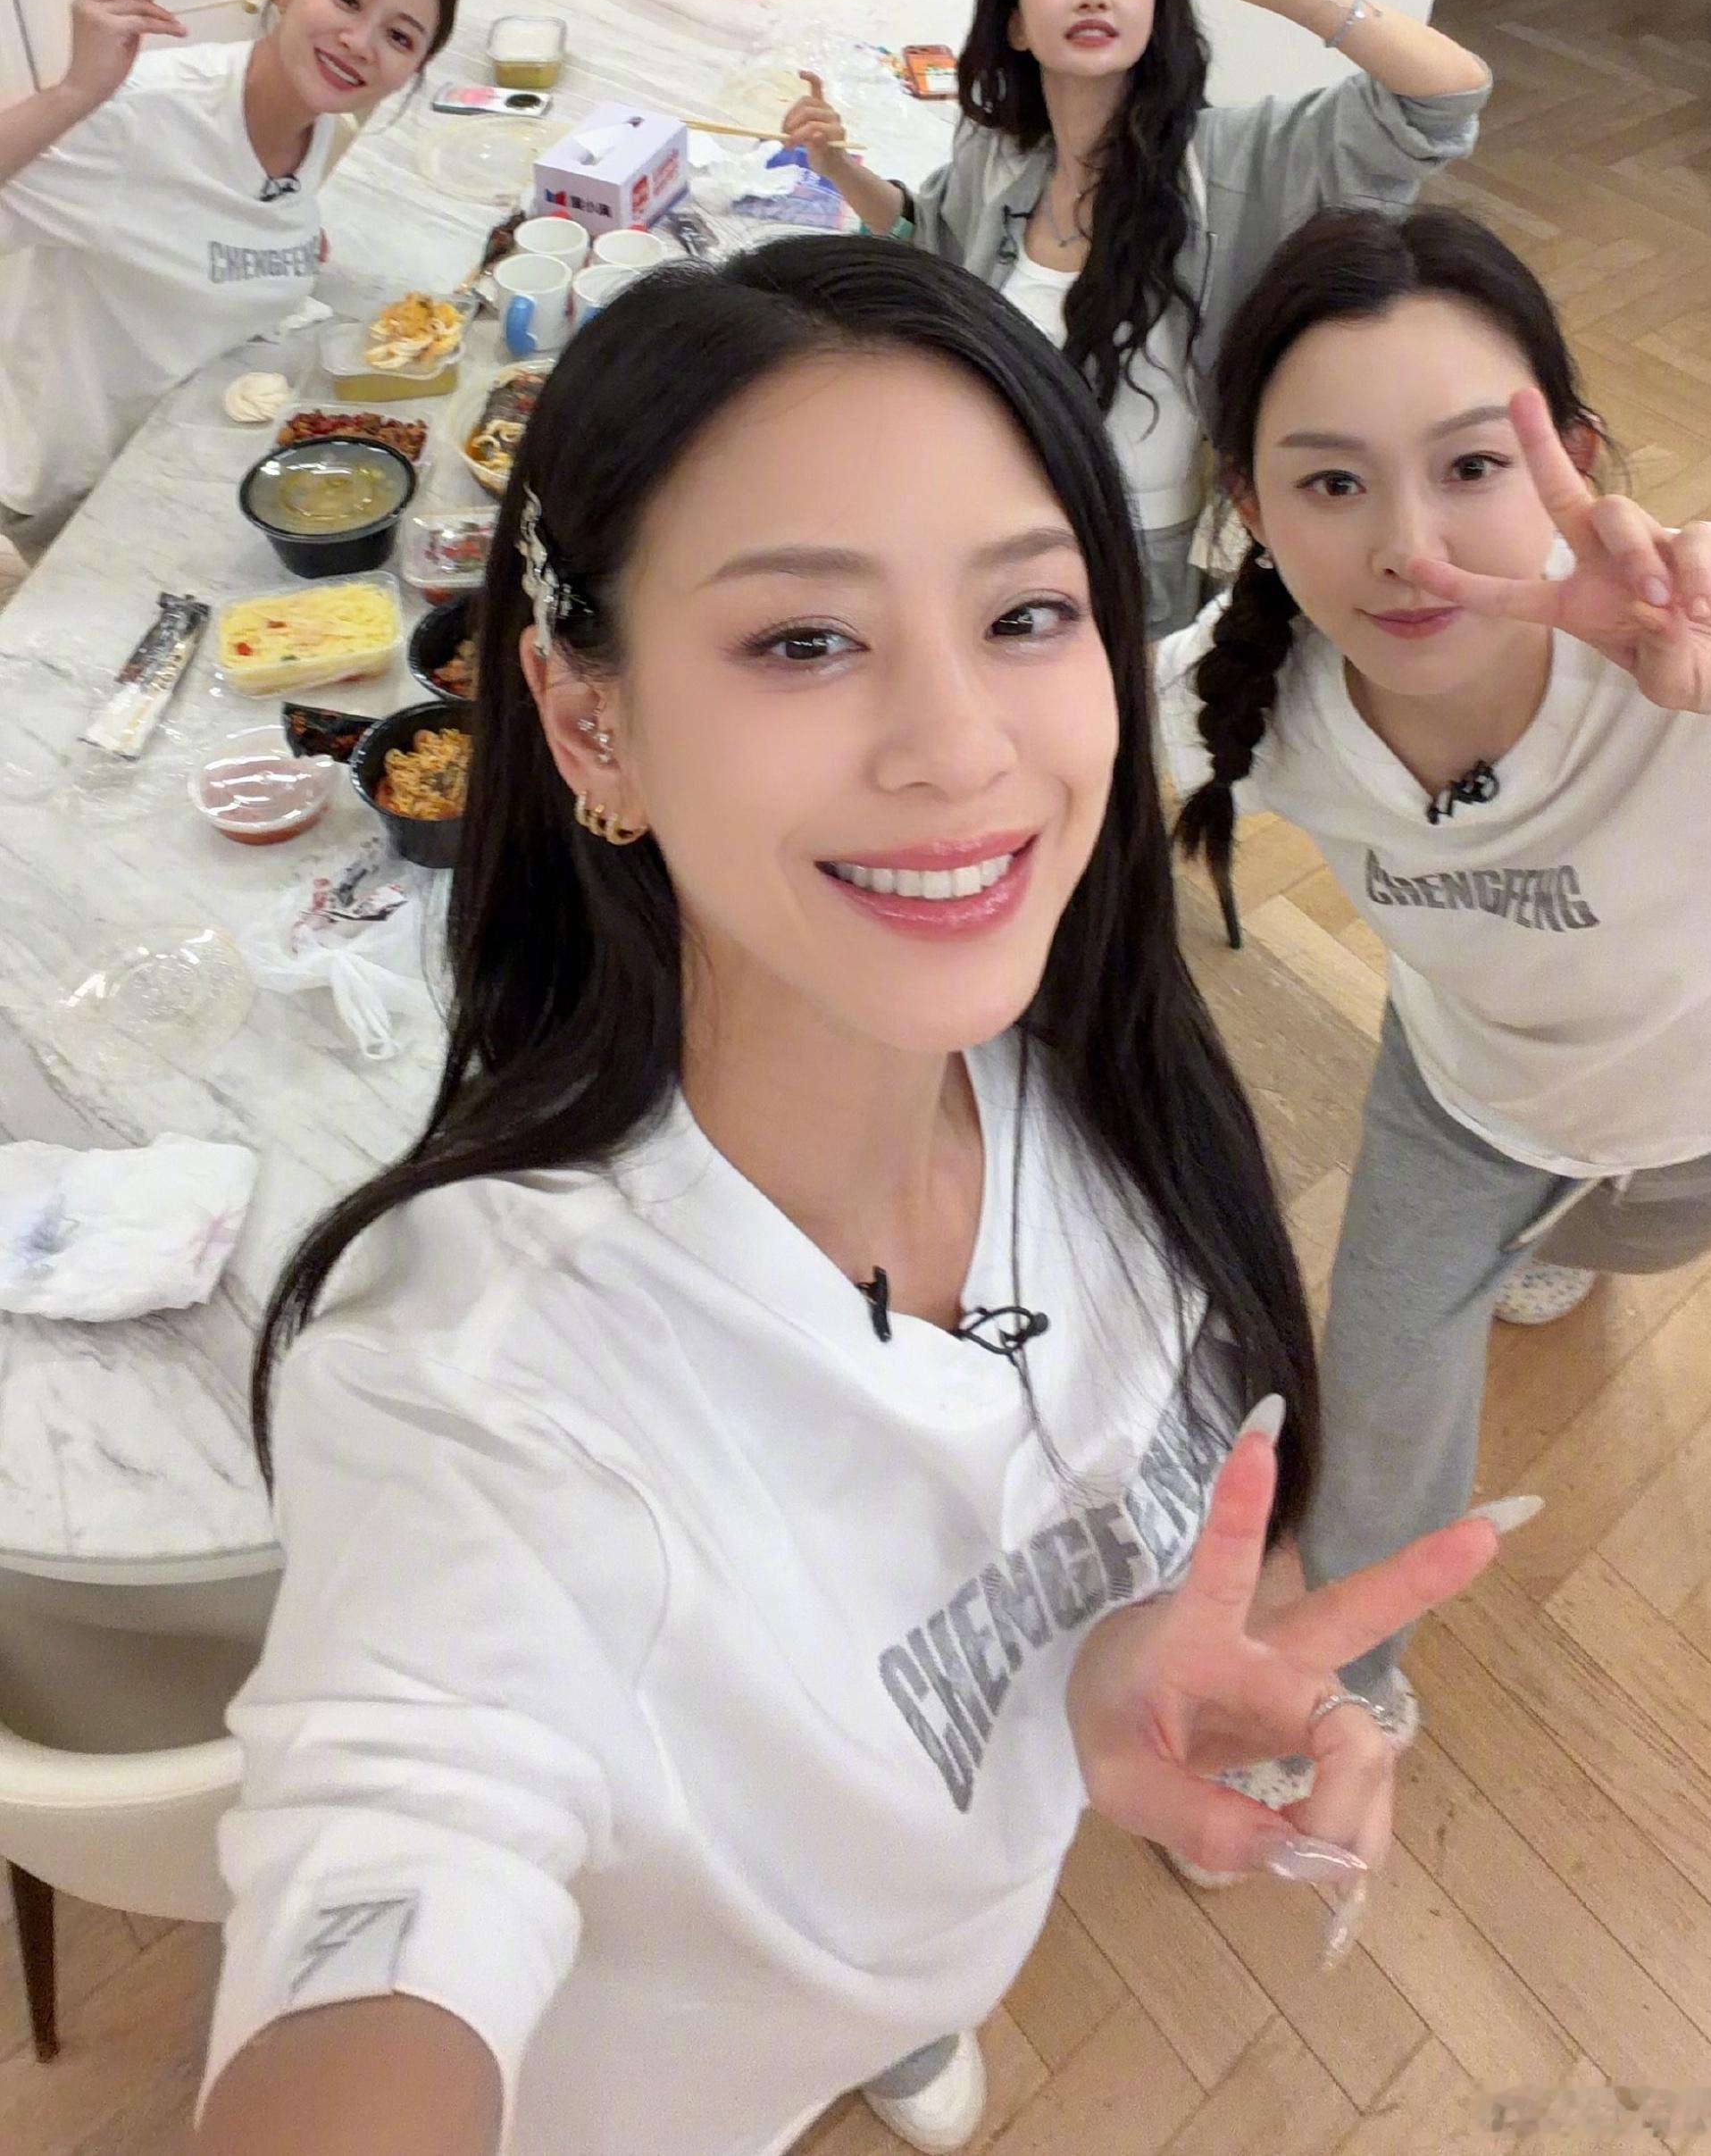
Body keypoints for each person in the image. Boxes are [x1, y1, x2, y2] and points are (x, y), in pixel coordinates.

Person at [196, 238, 1523, 2156]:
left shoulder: (1098, 1095)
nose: (960, 749)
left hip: (927, 1924)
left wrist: (1100, 1677)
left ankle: (898, 2030)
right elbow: (394, 1838)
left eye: (1028, 614)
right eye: (804, 640)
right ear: (587, 721)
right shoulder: (474, 1393)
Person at [1155, 203, 1711, 1831]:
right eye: (1332, 483)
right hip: (1465, 1100)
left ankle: (1582, 1236)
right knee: (1376, 1406)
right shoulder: (1254, 694)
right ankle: (1345, 1683)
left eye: (1472, 465)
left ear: (1574, 458)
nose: (1407, 546)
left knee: (1630, 1240)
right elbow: (1031, 744)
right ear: (1252, 511)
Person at [781, 0, 1490, 634]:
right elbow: (930, 240)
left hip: (1137, 556)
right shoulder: (999, 155)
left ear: (1157, 14)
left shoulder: (1232, 161)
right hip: (979, 524)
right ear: (1015, 23)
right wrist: (841, 169)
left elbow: (1444, 97)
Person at [0, 0, 458, 558]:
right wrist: (73, 93)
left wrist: (288, 247)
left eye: (400, 38)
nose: (360, 43)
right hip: (77, 484)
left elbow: (216, 221)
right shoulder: (139, 116)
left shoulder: (318, 123)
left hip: (187, 449)